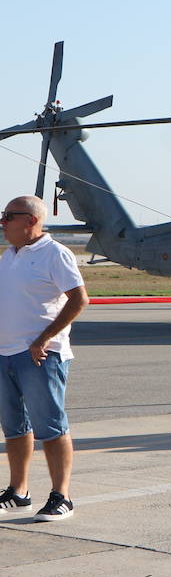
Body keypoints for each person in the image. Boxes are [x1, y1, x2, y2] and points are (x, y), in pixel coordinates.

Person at [0, 195, 88, 522]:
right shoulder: (9, 256)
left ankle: (61, 496)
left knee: (50, 426)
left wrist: (44, 338)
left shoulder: (55, 254)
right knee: (14, 427)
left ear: (31, 220)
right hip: (5, 353)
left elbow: (79, 300)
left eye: (9, 216)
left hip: (40, 356)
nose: (3, 222)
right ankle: (18, 492)